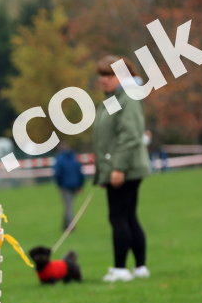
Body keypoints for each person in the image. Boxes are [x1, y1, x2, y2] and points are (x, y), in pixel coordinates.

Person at [92, 55, 151, 282]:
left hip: (126, 169)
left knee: (118, 218)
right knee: (128, 217)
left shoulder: (128, 98)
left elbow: (130, 135)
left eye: (109, 75)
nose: (104, 80)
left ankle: (120, 269)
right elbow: (108, 136)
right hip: (122, 168)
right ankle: (140, 267)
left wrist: (118, 168)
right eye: (102, 75)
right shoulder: (116, 98)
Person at [53, 142, 85, 231]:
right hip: (74, 185)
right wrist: (80, 185)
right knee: (69, 204)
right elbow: (80, 173)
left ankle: (70, 226)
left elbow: (57, 174)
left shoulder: (59, 159)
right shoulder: (74, 158)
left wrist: (59, 184)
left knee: (68, 206)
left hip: (64, 186)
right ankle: (66, 224)